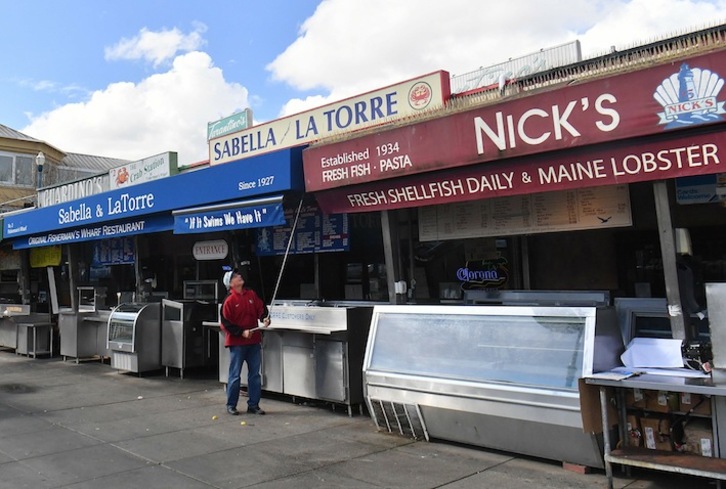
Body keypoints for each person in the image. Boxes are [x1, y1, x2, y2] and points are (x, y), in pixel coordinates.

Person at [220, 267, 271, 415]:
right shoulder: (229, 301)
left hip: (253, 342)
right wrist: (241, 332)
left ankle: (253, 405)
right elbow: (226, 323)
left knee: (255, 375)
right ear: (230, 284)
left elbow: (261, 308)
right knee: (235, 375)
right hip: (237, 344)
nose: (239, 277)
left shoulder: (251, 294)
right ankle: (231, 405)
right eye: (235, 276)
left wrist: (264, 318)